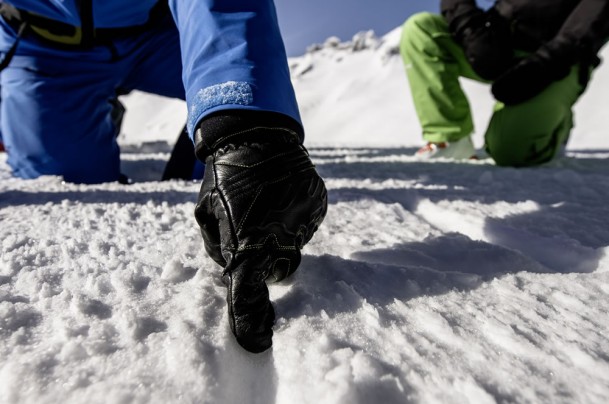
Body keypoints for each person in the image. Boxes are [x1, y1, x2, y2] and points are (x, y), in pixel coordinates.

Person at [0, 0, 327, 353]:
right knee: (67, 172)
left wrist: (246, 132)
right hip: (44, 43)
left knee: (235, 94)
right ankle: (97, 113)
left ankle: (210, 121)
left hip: (160, 33)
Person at [400, 0, 609, 166]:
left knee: (511, 152)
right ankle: (451, 139)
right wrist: (470, 28)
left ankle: (557, 127)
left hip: (562, 59)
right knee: (422, 30)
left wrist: (547, 62)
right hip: (500, 43)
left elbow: (592, 19)